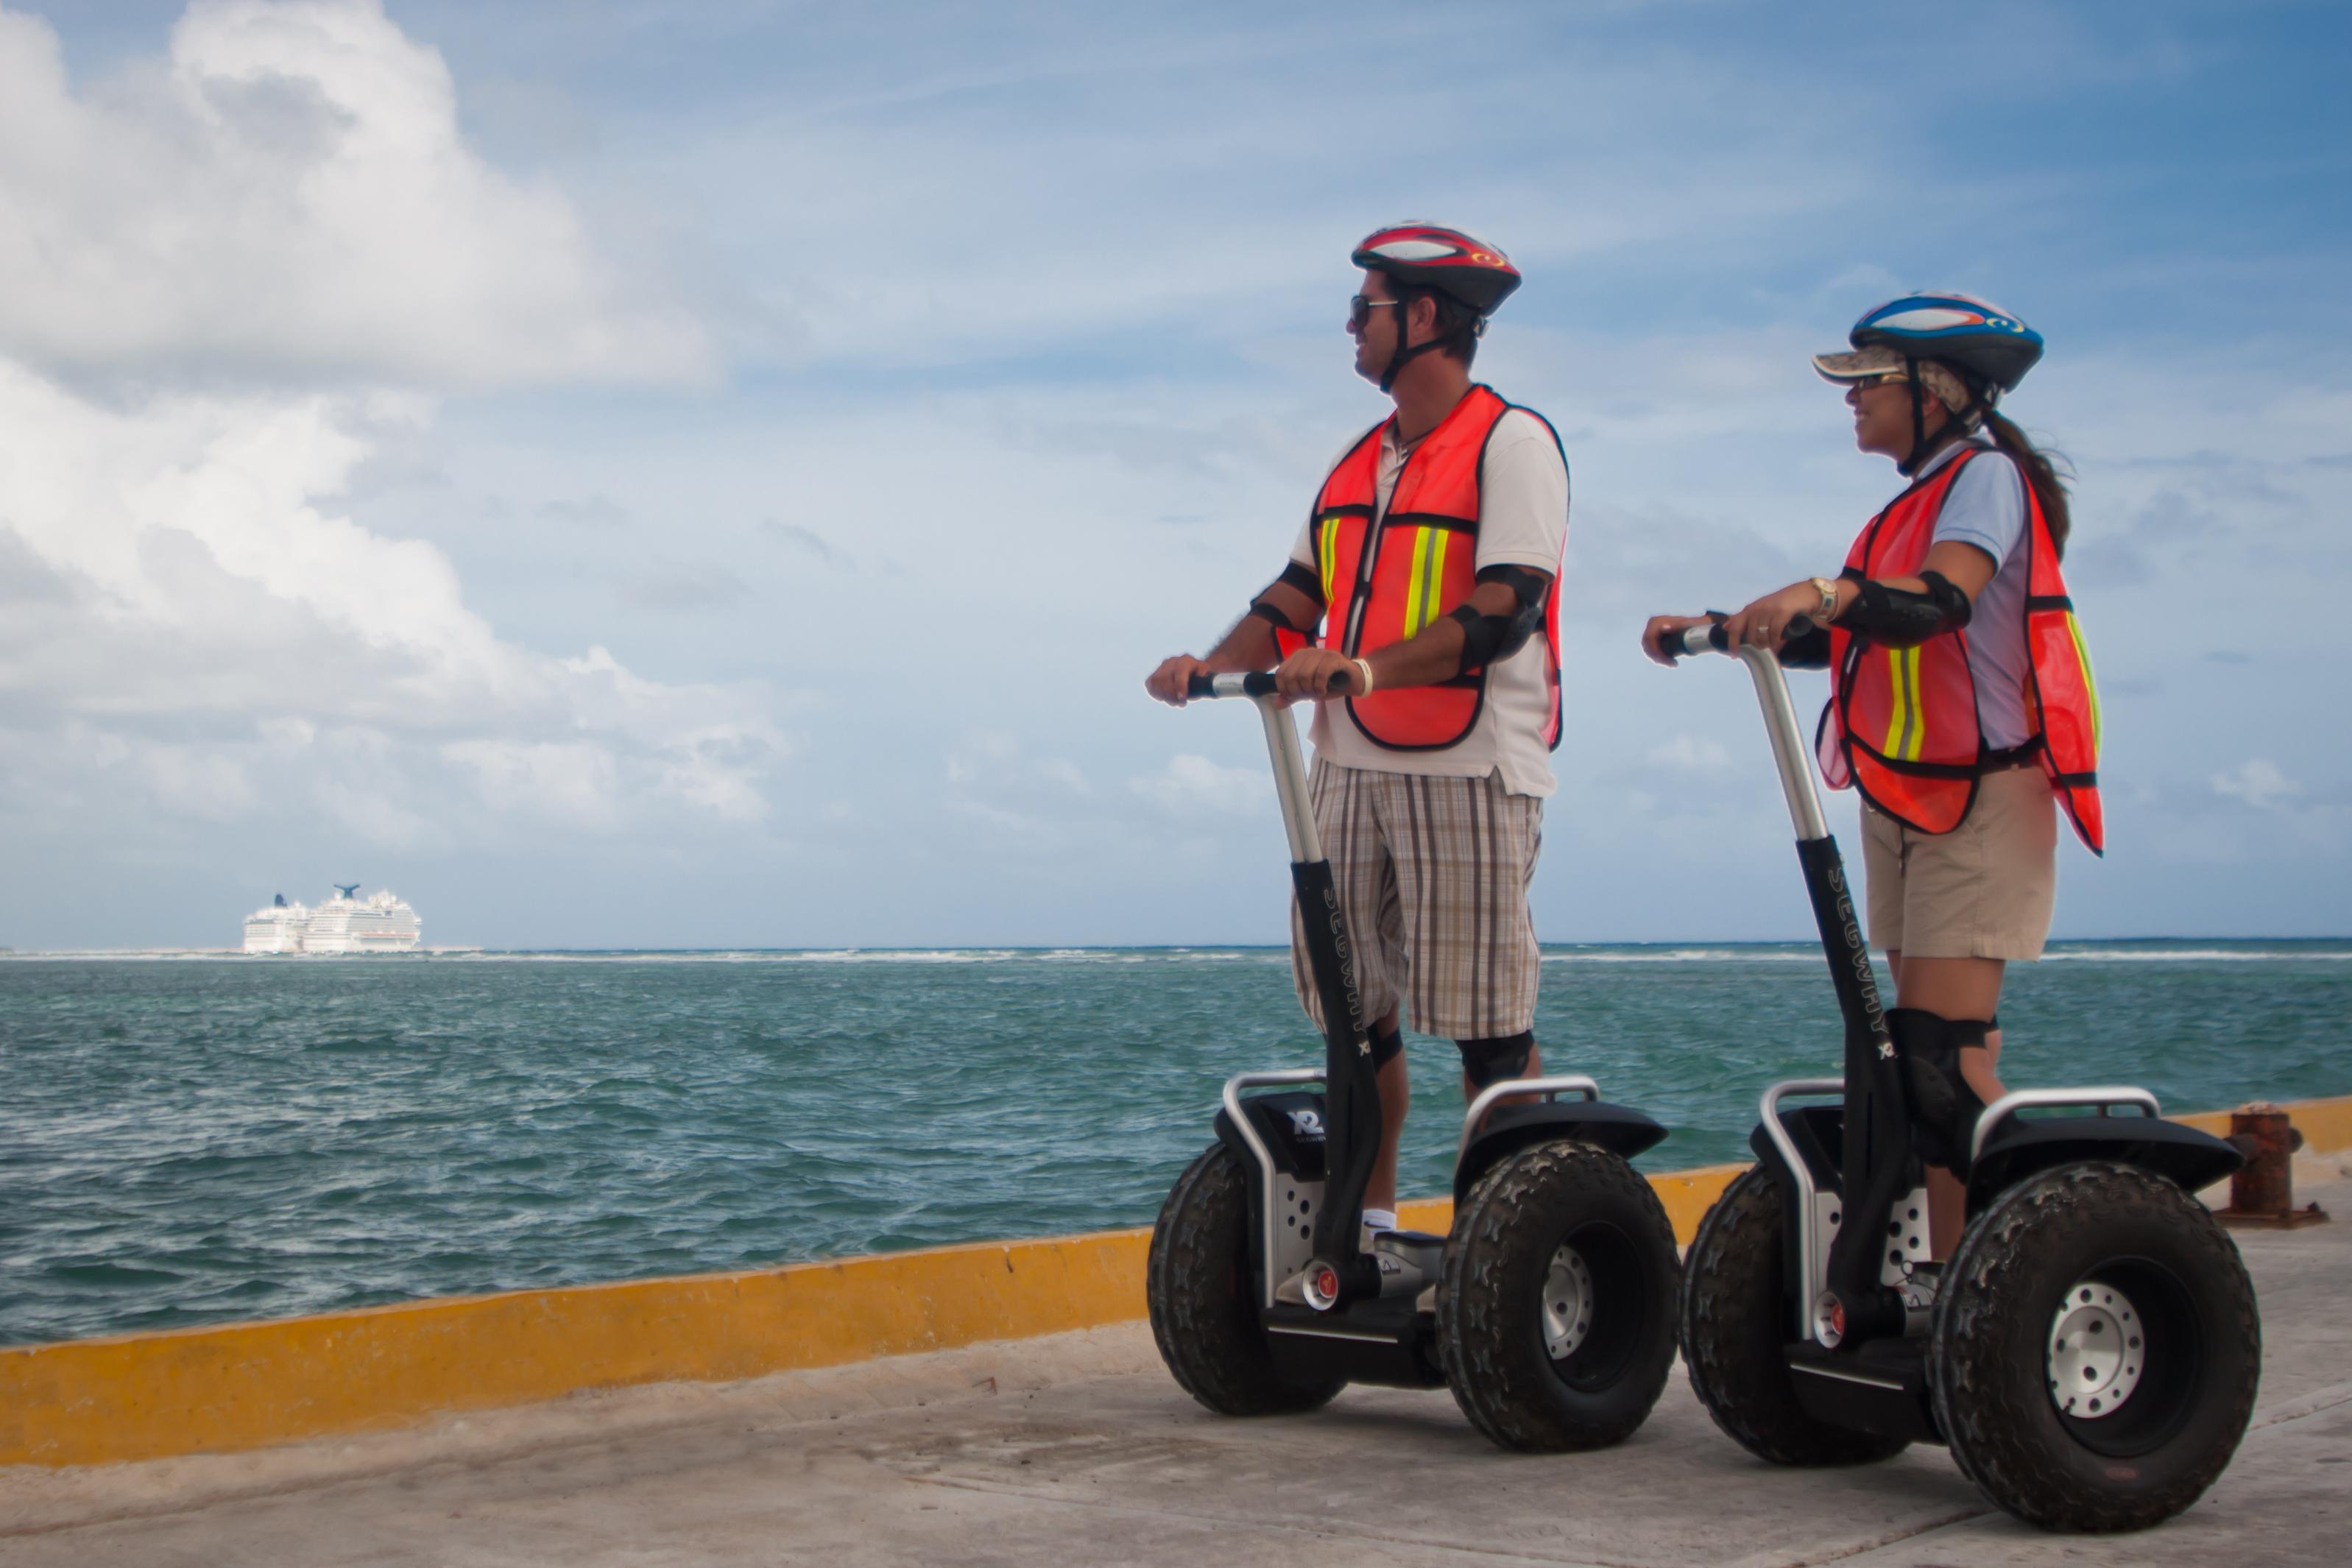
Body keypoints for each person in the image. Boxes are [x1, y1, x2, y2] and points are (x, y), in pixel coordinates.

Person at [1641, 293, 2103, 1254]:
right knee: (1913, 1053)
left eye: (1869, 382)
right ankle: (1945, 1268)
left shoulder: (1986, 479)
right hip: (1909, 794)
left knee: (1943, 1052)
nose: (1851, 401)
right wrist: (1729, 626)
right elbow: (1855, 636)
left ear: (1936, 389)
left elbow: (1935, 603)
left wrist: (1819, 591)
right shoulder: (1908, 501)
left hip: (1981, 796)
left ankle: (2005, 1267)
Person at [1145, 222, 1571, 1243]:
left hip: (1470, 762)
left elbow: (1506, 605)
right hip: (1348, 761)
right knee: (1351, 1004)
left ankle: (1500, 1242)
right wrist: (1211, 664)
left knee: (1486, 1023)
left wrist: (1366, 666)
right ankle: (1372, 1219)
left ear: (1424, 319)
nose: (1349, 326)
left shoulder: (1512, 443)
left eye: (1364, 310)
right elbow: (1297, 596)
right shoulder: (1355, 465)